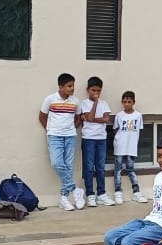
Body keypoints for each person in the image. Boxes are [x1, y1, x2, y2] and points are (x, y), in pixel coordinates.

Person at [38, 73, 84, 211]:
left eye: (73, 86)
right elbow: (42, 116)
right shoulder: (50, 99)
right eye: (69, 86)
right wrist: (50, 130)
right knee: (57, 163)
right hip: (54, 136)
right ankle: (75, 190)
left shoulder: (76, 101)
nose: (72, 88)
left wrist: (71, 128)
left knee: (68, 167)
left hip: (70, 137)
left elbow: (79, 118)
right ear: (61, 86)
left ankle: (64, 199)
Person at [79, 77, 115, 207]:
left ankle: (101, 194)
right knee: (89, 168)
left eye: (98, 91)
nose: (96, 93)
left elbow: (106, 119)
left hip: (101, 139)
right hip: (88, 139)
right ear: (87, 90)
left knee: (100, 167)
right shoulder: (84, 103)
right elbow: (90, 116)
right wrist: (95, 103)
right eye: (93, 90)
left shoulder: (104, 103)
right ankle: (90, 195)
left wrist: (91, 119)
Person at [112, 91, 146, 204]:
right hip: (120, 146)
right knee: (118, 170)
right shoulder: (119, 115)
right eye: (125, 102)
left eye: (129, 102)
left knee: (131, 169)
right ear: (122, 102)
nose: (127, 104)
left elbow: (139, 130)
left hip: (131, 147)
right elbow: (115, 129)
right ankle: (118, 192)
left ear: (133, 102)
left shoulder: (138, 115)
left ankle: (136, 192)